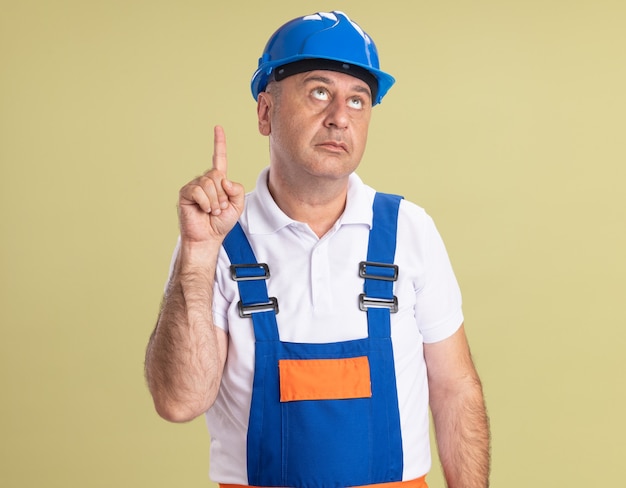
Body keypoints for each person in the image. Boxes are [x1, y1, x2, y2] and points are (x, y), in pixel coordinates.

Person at [145, 10, 490, 488]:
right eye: (319, 92)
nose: (340, 118)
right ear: (266, 112)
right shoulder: (217, 239)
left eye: (358, 100)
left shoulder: (409, 231)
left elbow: (456, 390)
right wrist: (198, 256)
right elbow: (179, 401)